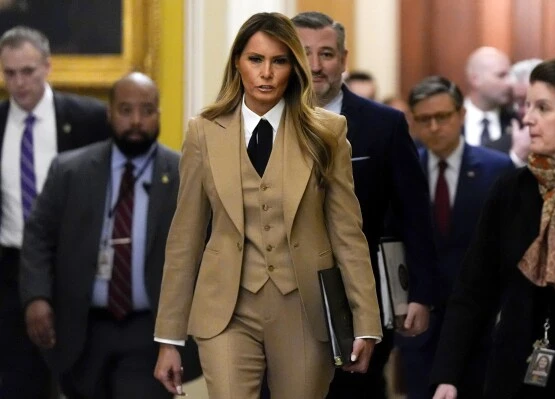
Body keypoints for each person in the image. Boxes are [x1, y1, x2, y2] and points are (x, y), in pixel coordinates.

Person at [153, 12, 381, 399]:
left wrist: (366, 322)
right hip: (225, 310)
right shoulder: (203, 133)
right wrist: (169, 338)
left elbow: (348, 234)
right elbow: (185, 238)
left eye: (279, 61)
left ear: (293, 67)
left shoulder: (326, 132)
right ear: (237, 63)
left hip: (304, 310)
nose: (266, 73)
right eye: (255, 60)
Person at [19, 72, 200, 398]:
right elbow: (37, 237)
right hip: (83, 327)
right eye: (125, 110)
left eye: (146, 111)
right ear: (109, 113)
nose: (136, 121)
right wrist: (36, 297)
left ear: (159, 113)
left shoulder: (184, 173)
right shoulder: (70, 170)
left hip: (152, 331)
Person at [431, 57, 555, 399]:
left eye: (543, 107)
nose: (527, 118)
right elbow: (474, 288)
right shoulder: (512, 189)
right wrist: (447, 374)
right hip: (515, 369)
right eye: (527, 106)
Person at [292, 11, 437, 399]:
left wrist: (420, 294)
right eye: (304, 53)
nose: (315, 65)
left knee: (355, 391)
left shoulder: (384, 124)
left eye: (326, 54)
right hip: (283, 292)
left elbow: (415, 214)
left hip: (361, 294)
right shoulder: (262, 122)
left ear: (343, 58)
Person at [0, 25, 107, 398]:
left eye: (27, 71)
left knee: (80, 380)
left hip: (74, 267)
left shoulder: (88, 119)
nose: (19, 83)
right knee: (16, 381)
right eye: (9, 73)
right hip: (10, 270)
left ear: (48, 66)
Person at [400, 76, 513, 398]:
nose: (434, 127)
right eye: (424, 119)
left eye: (443, 117)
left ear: (461, 115)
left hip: (481, 322)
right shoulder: (406, 171)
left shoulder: (497, 168)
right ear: (413, 121)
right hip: (421, 318)